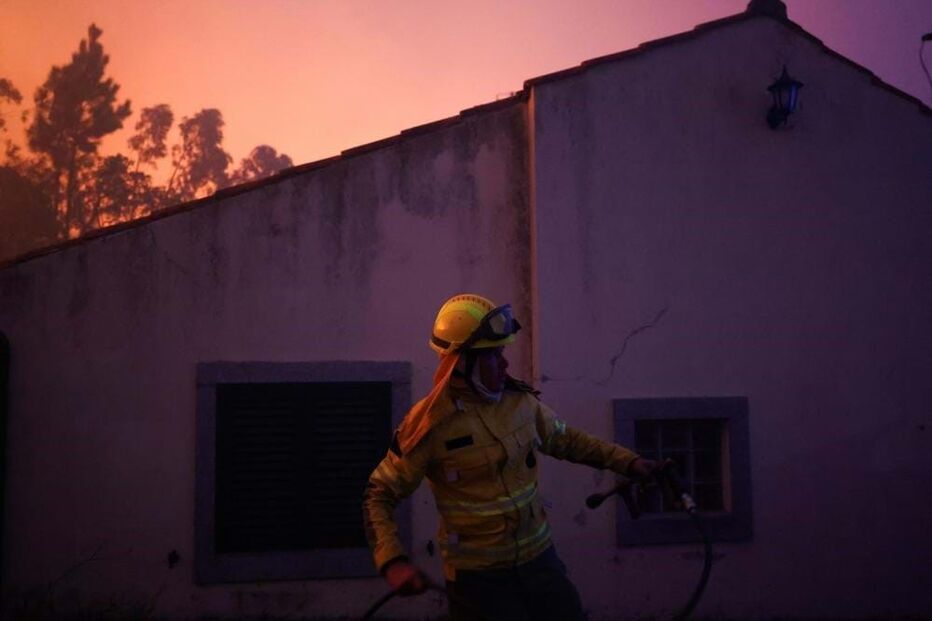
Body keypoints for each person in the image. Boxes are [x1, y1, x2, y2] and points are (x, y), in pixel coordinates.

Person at [362, 293, 658, 621]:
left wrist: (629, 462)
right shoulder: (427, 426)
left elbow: (569, 441)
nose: (504, 363)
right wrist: (392, 560)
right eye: (492, 355)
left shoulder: (520, 404)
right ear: (459, 363)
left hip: (541, 566)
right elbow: (379, 495)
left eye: (502, 351)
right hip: (479, 583)